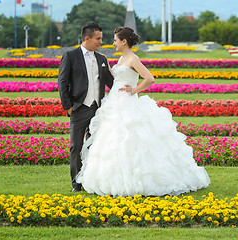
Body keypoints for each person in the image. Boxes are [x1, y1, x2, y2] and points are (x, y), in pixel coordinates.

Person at [75, 26, 210, 197]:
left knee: (129, 138)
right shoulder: (122, 58)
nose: (113, 43)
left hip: (126, 103)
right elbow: (117, 78)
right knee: (111, 139)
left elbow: (150, 78)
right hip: (114, 101)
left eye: (116, 40)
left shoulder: (132, 58)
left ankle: (137, 179)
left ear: (124, 41)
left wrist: (134, 90)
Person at [58, 23, 114, 192]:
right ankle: (76, 184)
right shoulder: (70, 56)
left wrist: (126, 90)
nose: (101, 42)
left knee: (95, 146)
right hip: (79, 108)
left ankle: (91, 181)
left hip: (97, 109)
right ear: (87, 38)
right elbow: (63, 82)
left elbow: (110, 83)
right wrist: (68, 106)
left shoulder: (102, 59)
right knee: (76, 146)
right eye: (98, 39)